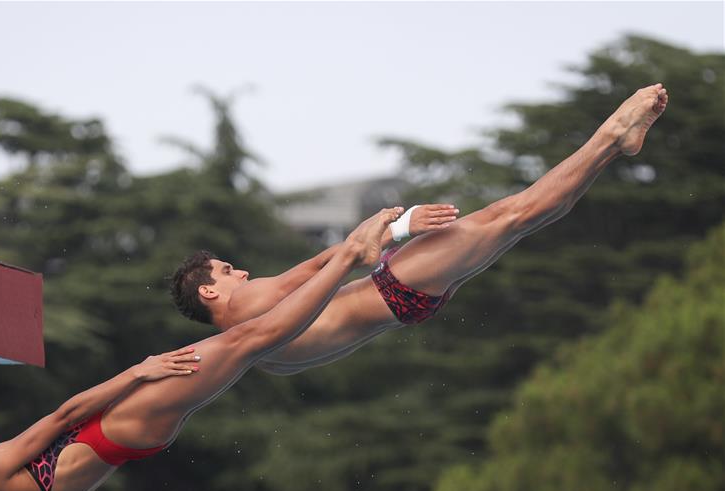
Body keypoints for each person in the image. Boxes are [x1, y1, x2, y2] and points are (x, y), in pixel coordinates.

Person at [0, 207, 404, 491]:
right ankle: (350, 259)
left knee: (253, 345)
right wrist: (139, 370)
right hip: (114, 429)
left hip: (127, 440)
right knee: (251, 339)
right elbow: (63, 419)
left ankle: (346, 260)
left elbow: (69, 473)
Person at [170, 84, 669, 374]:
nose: (243, 271)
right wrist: (400, 227)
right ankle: (610, 135)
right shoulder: (246, 307)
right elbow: (323, 263)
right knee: (512, 215)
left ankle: (612, 149)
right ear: (209, 291)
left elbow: (333, 315)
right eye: (228, 270)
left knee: (518, 223)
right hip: (394, 285)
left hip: (405, 305)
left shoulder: (254, 357)